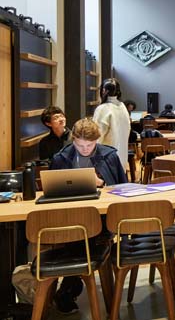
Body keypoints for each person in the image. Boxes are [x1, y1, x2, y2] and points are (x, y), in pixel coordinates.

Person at [48, 118, 127, 313]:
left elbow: (123, 188)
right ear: (73, 140)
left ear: (97, 141)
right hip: (70, 217)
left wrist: (100, 183)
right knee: (80, 236)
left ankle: (68, 289)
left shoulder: (109, 156)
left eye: (90, 145)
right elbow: (52, 191)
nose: (85, 149)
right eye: (80, 145)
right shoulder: (61, 158)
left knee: (84, 238)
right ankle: (72, 288)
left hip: (102, 219)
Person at [92, 78, 132, 170]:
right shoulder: (122, 107)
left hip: (106, 157)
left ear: (103, 90)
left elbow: (97, 135)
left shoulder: (103, 109)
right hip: (122, 155)